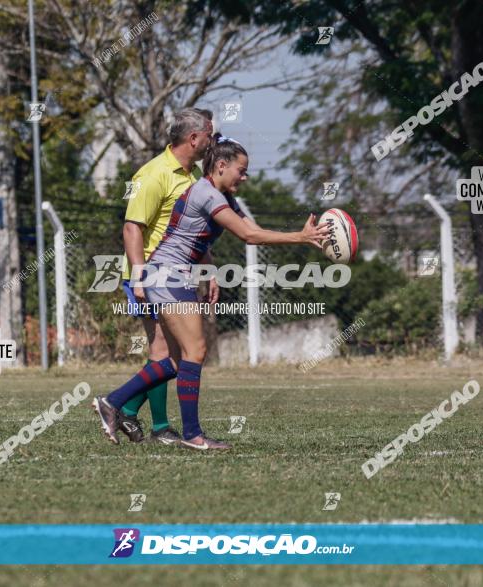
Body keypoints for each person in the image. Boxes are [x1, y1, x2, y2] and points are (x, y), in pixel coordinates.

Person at [93, 133, 330, 450]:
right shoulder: (207, 194)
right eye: (241, 170)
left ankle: (114, 401)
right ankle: (192, 435)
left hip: (170, 276)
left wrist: (211, 272)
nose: (244, 177)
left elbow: (249, 230)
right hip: (165, 276)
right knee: (196, 352)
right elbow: (249, 235)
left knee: (178, 362)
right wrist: (301, 237)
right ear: (220, 165)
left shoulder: (221, 196)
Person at [116, 107, 215, 445]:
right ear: (194, 138)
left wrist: (209, 271)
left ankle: (127, 409)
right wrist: (140, 277)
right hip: (151, 276)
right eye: (209, 135)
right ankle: (149, 422)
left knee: (172, 354)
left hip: (175, 275)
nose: (212, 141)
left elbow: (195, 231)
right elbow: (132, 227)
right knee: (166, 353)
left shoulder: (192, 178)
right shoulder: (153, 173)